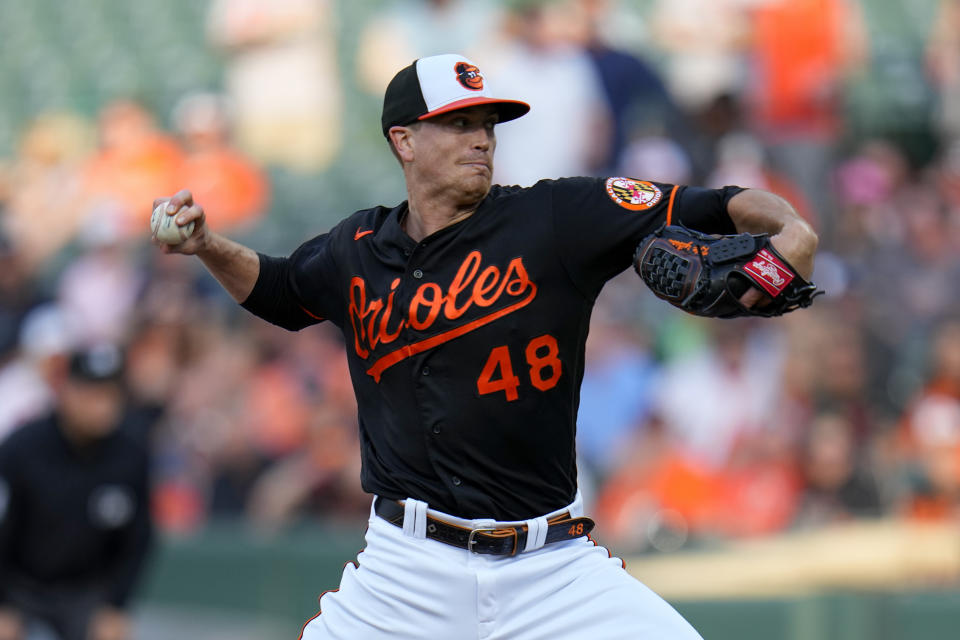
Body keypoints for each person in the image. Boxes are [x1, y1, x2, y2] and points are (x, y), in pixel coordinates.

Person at [151, 53, 818, 639]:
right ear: (404, 140)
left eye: (488, 125)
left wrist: (790, 230)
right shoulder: (355, 251)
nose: (482, 140)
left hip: (550, 568)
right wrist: (208, 245)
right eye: (459, 124)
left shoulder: (556, 217)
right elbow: (278, 291)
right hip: (406, 571)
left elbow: (722, 203)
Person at [0, 344, 153, 640]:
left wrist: (116, 605)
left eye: (110, 395)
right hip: (20, 585)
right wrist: (2, 603)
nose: (103, 406)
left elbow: (138, 539)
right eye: (92, 394)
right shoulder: (21, 449)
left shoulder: (131, 455)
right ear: (66, 391)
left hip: (85, 592)